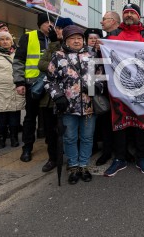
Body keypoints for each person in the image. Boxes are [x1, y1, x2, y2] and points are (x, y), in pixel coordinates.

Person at [104, 3, 144, 177]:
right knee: (120, 123)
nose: (128, 15)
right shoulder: (112, 35)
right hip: (118, 88)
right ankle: (120, 158)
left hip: (142, 88)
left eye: (132, 13)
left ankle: (141, 157)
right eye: (125, 12)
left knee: (141, 124)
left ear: (138, 16)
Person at [46, 25, 100, 185]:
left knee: (87, 137)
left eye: (79, 38)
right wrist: (58, 96)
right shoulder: (58, 56)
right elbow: (49, 80)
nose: (76, 41)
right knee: (69, 138)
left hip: (89, 105)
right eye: (72, 38)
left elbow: (100, 76)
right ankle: (73, 166)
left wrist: (95, 88)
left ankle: (83, 165)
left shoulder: (92, 54)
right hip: (67, 107)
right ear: (66, 40)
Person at [13, 13, 52, 162]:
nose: (50, 25)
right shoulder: (28, 37)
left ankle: (51, 150)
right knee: (30, 118)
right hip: (32, 84)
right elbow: (18, 61)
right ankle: (27, 148)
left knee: (49, 119)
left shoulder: (55, 38)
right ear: (40, 24)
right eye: (47, 22)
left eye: (51, 22)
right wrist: (19, 82)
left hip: (50, 85)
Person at [37, 17, 73, 172]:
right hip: (50, 98)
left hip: (69, 97)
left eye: (60, 28)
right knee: (51, 132)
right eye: (56, 28)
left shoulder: (72, 45)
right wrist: (53, 44)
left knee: (69, 131)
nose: (56, 30)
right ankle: (53, 158)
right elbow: (42, 64)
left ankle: (73, 158)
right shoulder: (52, 45)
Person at [0, 30, 24, 148]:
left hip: (15, 89)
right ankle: (1, 139)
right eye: (2, 39)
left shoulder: (18, 54)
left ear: (11, 41)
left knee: (14, 116)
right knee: (1, 118)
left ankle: (14, 138)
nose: (5, 42)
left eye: (7, 39)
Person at [95, 11, 121, 166]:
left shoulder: (123, 39)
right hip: (103, 85)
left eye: (104, 19)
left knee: (121, 119)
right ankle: (106, 151)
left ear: (114, 21)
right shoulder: (101, 41)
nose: (101, 22)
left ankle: (121, 152)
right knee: (105, 120)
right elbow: (94, 63)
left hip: (122, 87)